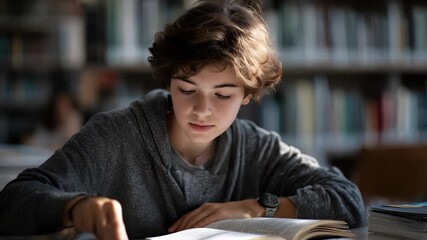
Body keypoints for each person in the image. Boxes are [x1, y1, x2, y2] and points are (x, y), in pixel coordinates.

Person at [0, 0, 366, 239]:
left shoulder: (256, 147)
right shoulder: (117, 135)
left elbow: (348, 199)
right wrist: (75, 207)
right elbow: (14, 200)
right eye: (187, 89)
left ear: (248, 95)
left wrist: (255, 207)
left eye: (223, 95)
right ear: (168, 79)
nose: (201, 110)